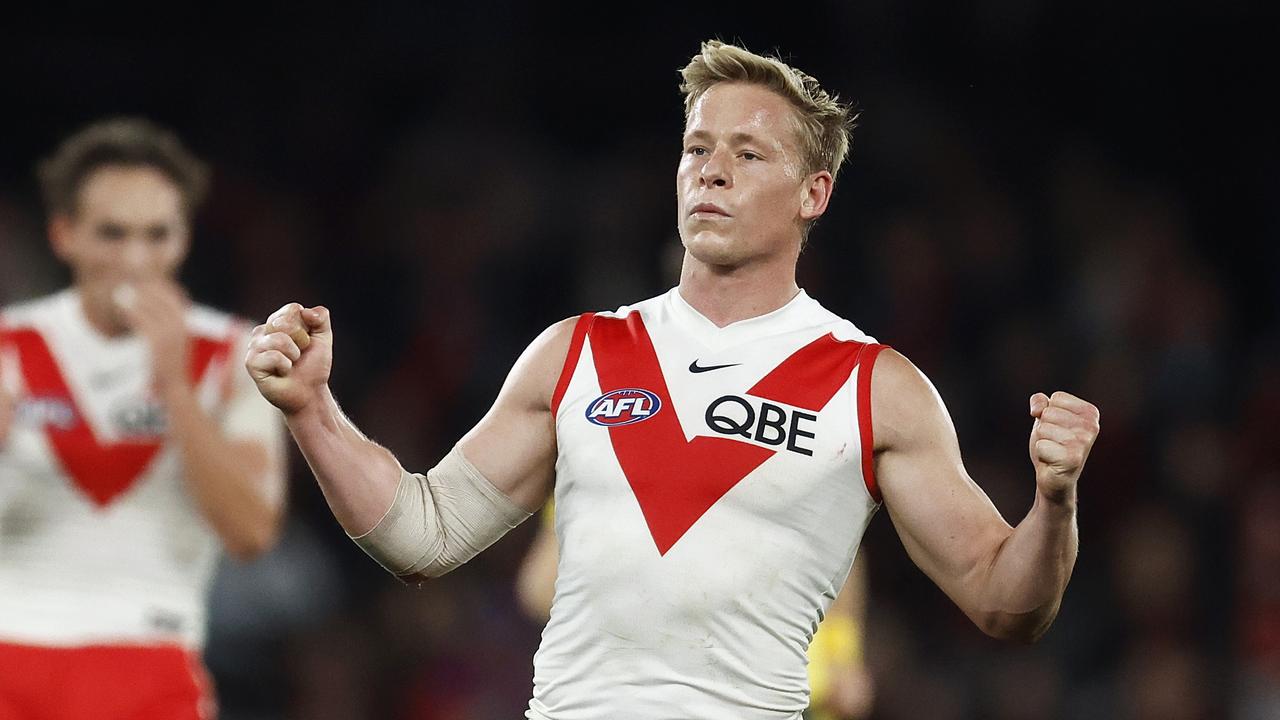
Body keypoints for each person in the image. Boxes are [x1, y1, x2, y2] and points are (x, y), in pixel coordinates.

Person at [246, 40, 1100, 719]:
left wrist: (1054, 499)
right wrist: (313, 410)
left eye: (748, 153)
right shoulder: (576, 352)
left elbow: (1004, 602)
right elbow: (423, 537)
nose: (711, 169)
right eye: (697, 147)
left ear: (815, 193)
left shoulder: (873, 386)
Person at [0, 118, 287, 719]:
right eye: (112, 234)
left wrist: (177, 390)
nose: (135, 259)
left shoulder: (235, 357)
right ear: (64, 235)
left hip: (155, 656)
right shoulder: (7, 349)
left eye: (158, 235)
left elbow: (251, 534)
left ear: (183, 241)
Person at [514, 502, 874, 719]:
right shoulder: (605, 466)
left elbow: (837, 550)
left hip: (799, 692)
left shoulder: (778, 440)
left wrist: (845, 657)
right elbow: (539, 588)